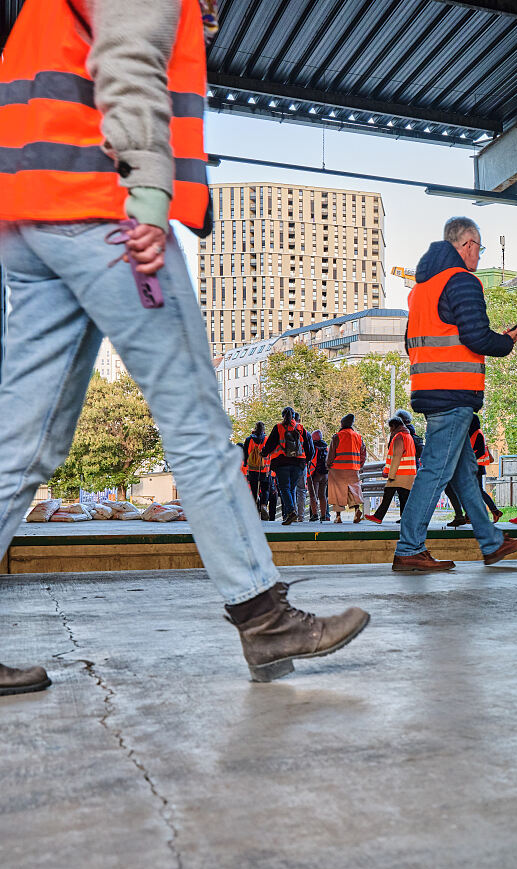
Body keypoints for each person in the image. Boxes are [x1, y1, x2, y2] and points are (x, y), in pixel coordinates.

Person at [0, 0, 368, 694]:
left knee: (21, 444)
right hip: (105, 209)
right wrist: (145, 193)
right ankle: (266, 617)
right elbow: (128, 60)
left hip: (29, 214)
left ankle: (266, 618)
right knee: (195, 424)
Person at [393, 216, 517, 572]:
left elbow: (411, 344)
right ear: (467, 245)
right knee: (435, 470)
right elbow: (476, 337)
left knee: (464, 472)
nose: (479, 257)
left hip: (429, 388)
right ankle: (409, 548)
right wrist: (506, 341)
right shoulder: (463, 281)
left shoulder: (420, 290)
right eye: (479, 248)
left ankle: (491, 542)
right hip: (454, 391)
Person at [261, 406, 315, 525]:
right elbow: (309, 447)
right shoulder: (300, 428)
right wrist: (308, 460)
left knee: (284, 488)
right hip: (299, 463)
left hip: (282, 463)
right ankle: (290, 514)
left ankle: (291, 512)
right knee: (291, 488)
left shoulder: (279, 428)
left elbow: (270, 444)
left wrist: (263, 453)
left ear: (283, 416)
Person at [366, 417, 416, 524]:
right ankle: (406, 518)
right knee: (404, 497)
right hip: (409, 473)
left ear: (394, 426)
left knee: (388, 494)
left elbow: (396, 457)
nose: (390, 430)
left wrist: (390, 474)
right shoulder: (408, 436)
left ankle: (378, 517)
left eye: (390, 428)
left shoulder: (399, 437)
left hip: (398, 474)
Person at [327, 413, 367, 523]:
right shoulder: (358, 437)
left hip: (337, 469)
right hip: (353, 468)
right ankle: (357, 511)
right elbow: (363, 454)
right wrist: (359, 465)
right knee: (353, 490)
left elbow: (331, 454)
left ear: (342, 424)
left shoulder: (337, 436)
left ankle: (338, 517)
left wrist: (328, 464)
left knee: (337, 492)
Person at [469, 414, 503, 521]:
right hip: (473, 467)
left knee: (477, 491)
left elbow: (480, 452)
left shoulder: (477, 434)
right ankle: (473, 515)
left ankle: (493, 511)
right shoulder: (472, 433)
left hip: (476, 467)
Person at [243, 422, 270, 520]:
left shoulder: (249, 439)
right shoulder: (267, 439)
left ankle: (254, 509)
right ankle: (263, 505)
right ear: (263, 429)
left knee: (254, 490)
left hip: (252, 469)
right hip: (264, 470)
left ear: (255, 429)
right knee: (265, 489)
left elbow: (245, 455)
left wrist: (246, 465)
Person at [308, 428, 330, 521]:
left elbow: (309, 459)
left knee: (313, 495)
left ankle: (315, 514)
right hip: (325, 474)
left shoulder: (313, 447)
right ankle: (324, 515)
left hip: (314, 474)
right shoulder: (326, 447)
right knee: (323, 495)